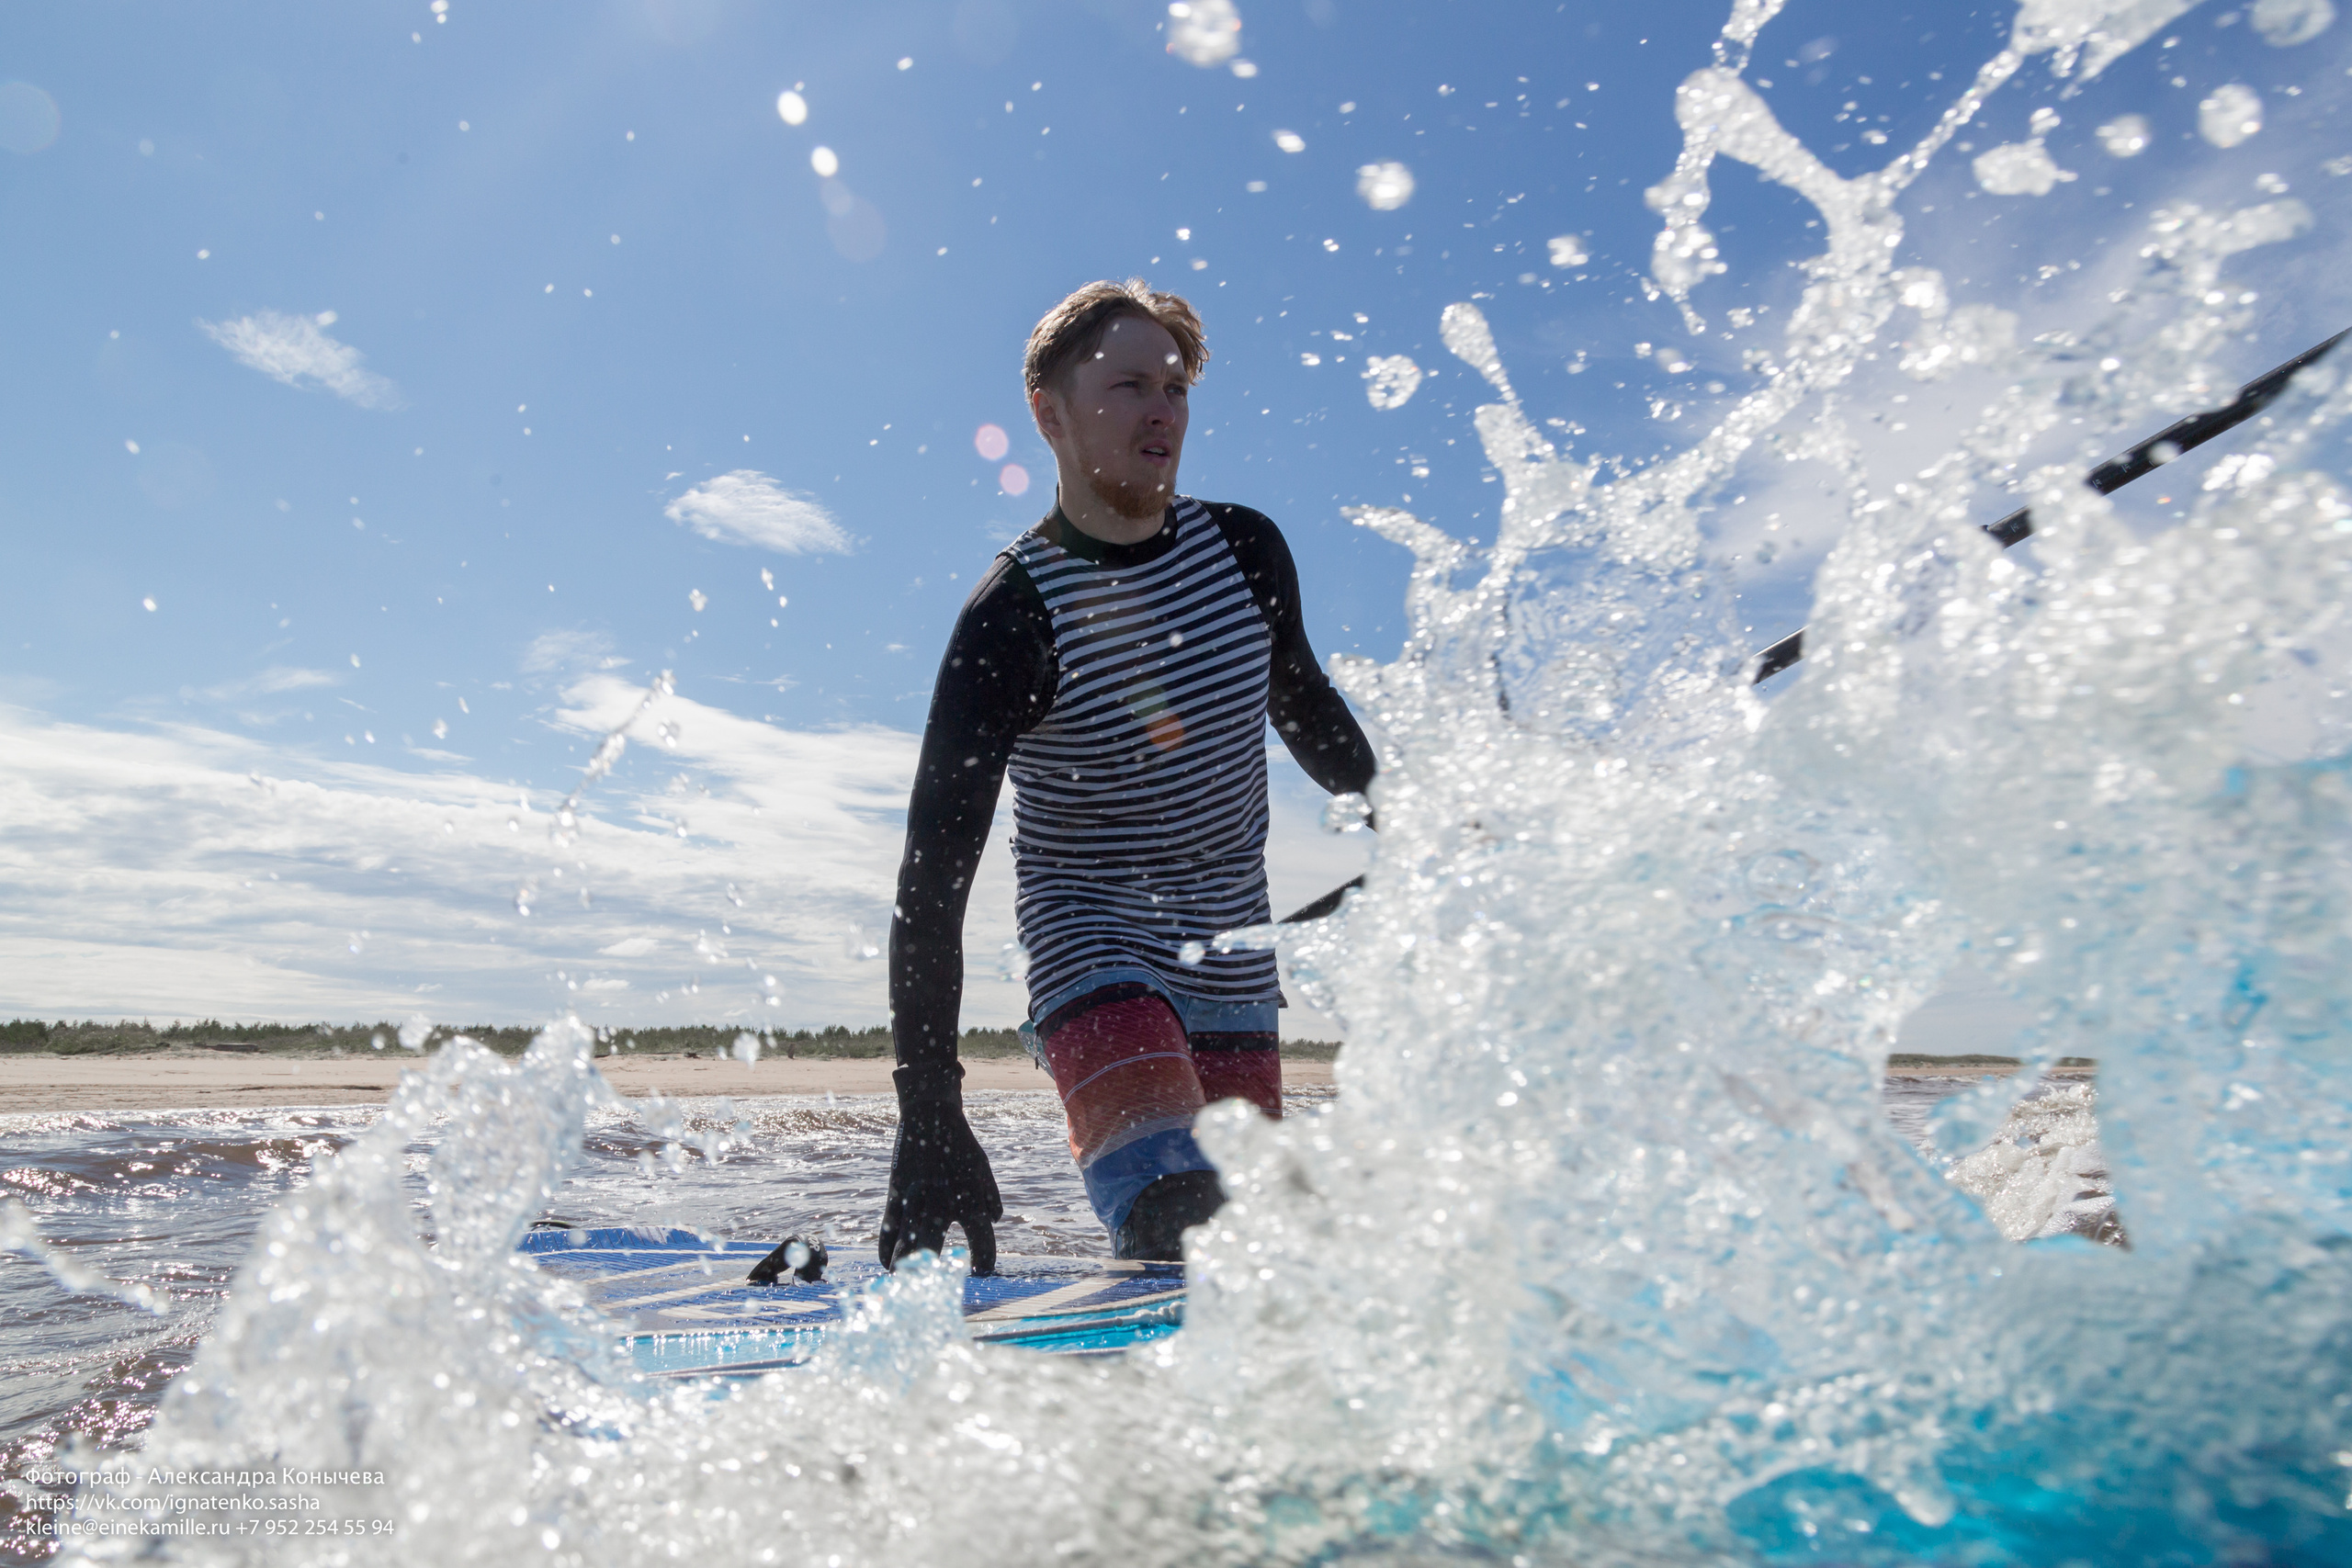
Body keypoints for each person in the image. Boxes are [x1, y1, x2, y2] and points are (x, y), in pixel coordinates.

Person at [875, 278, 1376, 1271]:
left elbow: (1307, 710)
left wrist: (1419, 825)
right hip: (1091, 943)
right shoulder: (1014, 617)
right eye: (1128, 386)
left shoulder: (1244, 552)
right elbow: (932, 880)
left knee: (1251, 1255)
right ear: (1048, 414)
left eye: (1176, 387)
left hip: (1231, 954)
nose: (1162, 412)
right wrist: (926, 1108)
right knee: (1181, 1224)